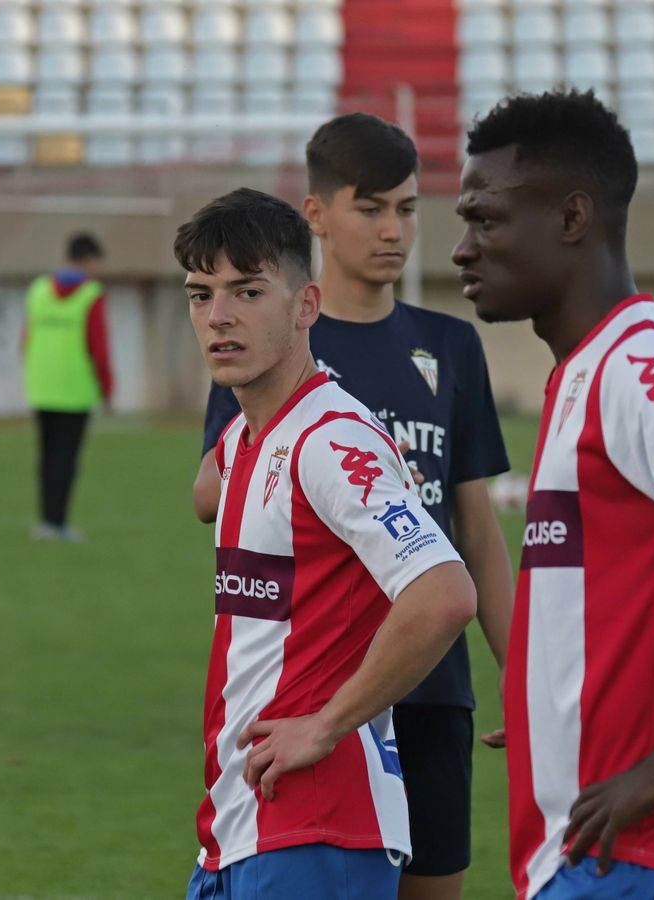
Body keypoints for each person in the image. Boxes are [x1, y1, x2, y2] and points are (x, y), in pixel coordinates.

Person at [453, 90, 654, 899]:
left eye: (486, 220)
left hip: (646, 855)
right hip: (601, 855)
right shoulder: (585, 369)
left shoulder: (640, 363)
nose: (463, 249)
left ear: (573, 217)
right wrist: (548, 710)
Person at [192, 112, 513, 900]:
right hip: (308, 677)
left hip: (426, 674)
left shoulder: (442, 350)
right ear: (319, 214)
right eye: (371, 208)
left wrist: (522, 673)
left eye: (406, 209)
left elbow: (473, 532)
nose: (393, 230)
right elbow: (213, 491)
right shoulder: (265, 363)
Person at [21, 232, 114, 542]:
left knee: (47, 457)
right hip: (74, 390)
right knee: (66, 459)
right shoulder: (91, 294)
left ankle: (46, 521)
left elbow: (26, 339)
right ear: (88, 260)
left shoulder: (38, 289)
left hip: (41, 387)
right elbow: (99, 348)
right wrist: (107, 389)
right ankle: (58, 524)